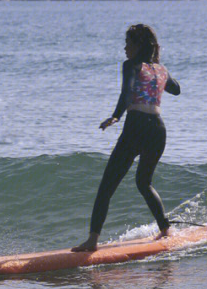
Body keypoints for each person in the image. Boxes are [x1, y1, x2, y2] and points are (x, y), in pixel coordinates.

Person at [72, 23, 181, 252]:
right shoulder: (161, 69)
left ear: (138, 45)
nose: (124, 48)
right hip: (158, 130)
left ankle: (92, 241)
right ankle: (165, 230)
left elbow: (126, 92)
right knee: (144, 182)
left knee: (106, 187)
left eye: (128, 43)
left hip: (136, 127)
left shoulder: (131, 65)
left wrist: (115, 116)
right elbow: (176, 89)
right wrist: (159, 75)